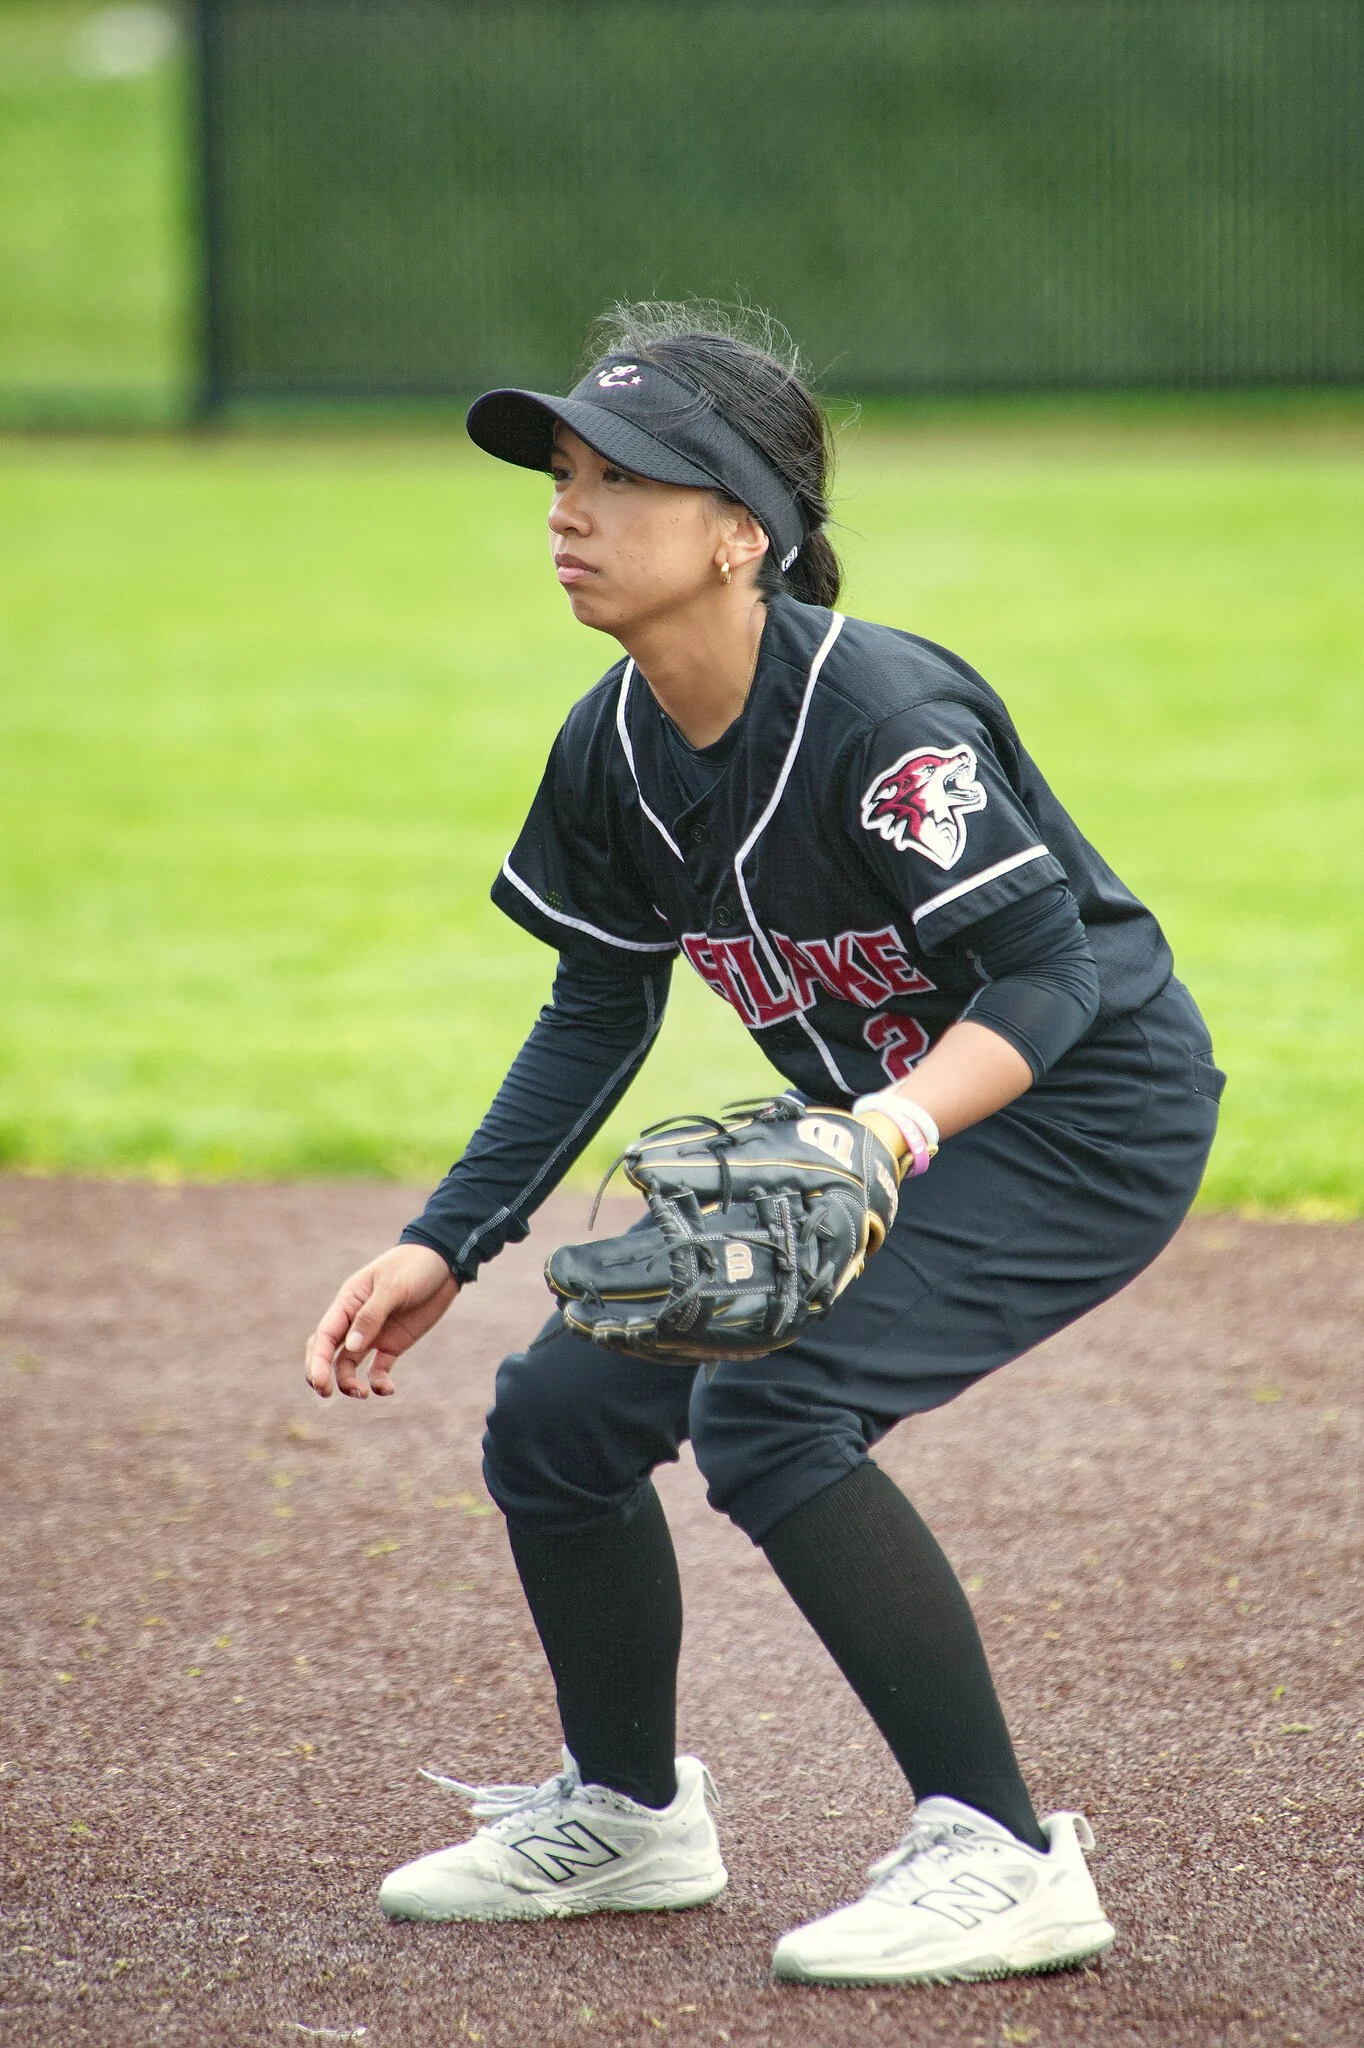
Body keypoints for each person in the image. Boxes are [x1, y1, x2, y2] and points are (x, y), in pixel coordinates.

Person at [303, 304, 1224, 1986]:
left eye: (623, 479)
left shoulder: (881, 714)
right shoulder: (617, 742)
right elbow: (599, 1009)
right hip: (884, 1130)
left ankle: (1003, 1849)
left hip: (1079, 1111)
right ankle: (634, 1813)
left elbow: (1052, 970)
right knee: (561, 1411)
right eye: (562, 476)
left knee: (778, 1401)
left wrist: (882, 1129)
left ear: (746, 534)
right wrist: (452, 1234)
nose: (570, 510)